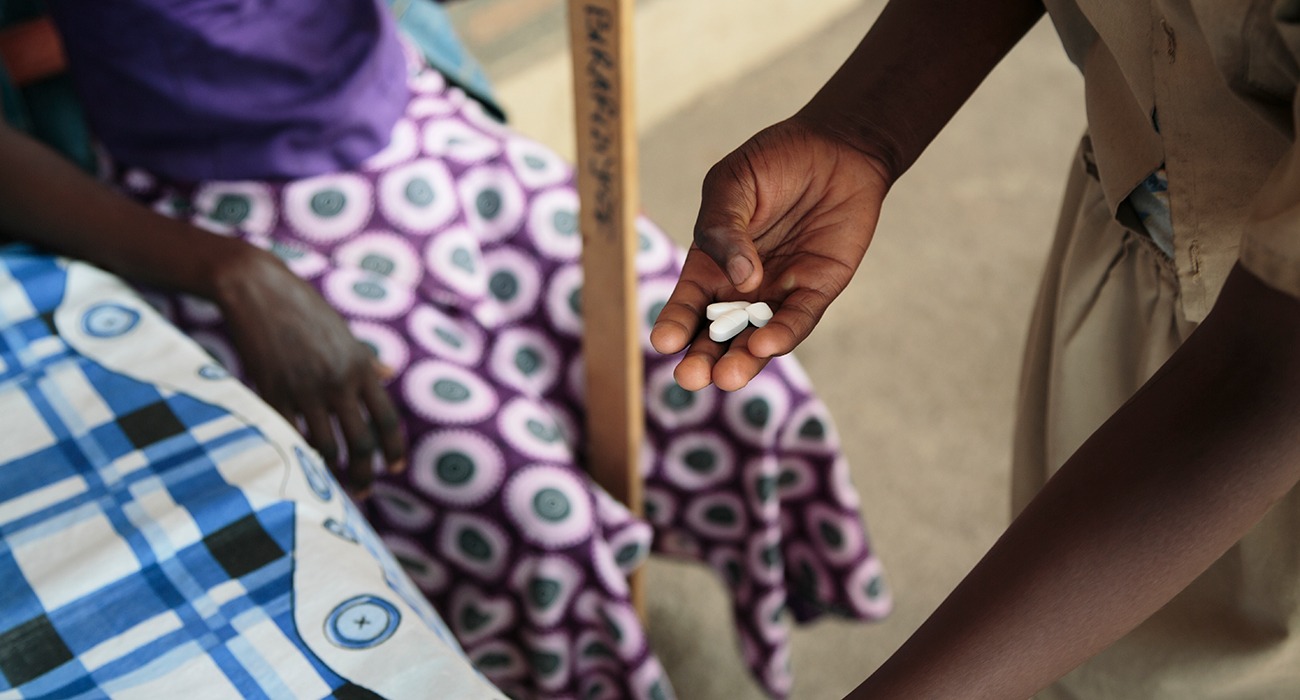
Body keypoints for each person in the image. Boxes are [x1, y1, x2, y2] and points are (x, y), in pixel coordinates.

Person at [1, 1, 892, 697]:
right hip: (217, 220)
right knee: (533, 517)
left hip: (420, 126)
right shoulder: (217, 244)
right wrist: (232, 271)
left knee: (736, 383)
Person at [650, 0, 1300, 697]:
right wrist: (863, 129)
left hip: (1256, 415)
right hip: (1137, 219)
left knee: (1204, 659)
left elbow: (1261, 377)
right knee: (1073, 631)